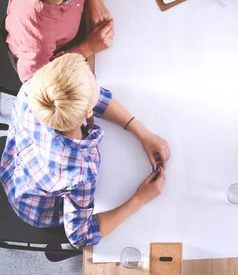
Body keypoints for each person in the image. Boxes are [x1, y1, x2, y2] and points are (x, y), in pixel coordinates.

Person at [0, 54, 170, 250]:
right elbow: (81, 236)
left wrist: (141, 132)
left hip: (11, 165)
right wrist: (140, 199)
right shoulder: (78, 171)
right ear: (87, 113)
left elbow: (82, 98)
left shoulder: (33, 88)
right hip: (35, 210)